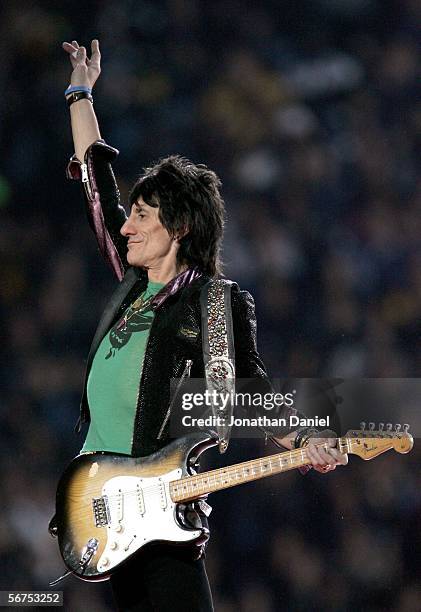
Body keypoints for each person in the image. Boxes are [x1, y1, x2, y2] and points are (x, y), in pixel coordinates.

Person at [60, 39, 348, 612]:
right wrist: (81, 92)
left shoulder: (212, 305)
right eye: (132, 216)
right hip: (104, 508)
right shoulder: (130, 283)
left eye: (142, 217)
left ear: (180, 227)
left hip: (161, 510)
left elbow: (246, 392)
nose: (126, 228)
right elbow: (98, 187)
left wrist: (311, 436)